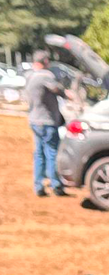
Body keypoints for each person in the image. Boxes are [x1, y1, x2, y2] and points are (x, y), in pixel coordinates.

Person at [24, 50, 67, 198]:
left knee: (39, 154)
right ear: (46, 62)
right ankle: (56, 185)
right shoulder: (45, 76)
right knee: (52, 153)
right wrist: (65, 91)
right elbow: (57, 89)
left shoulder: (29, 76)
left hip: (34, 120)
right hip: (47, 121)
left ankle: (39, 186)